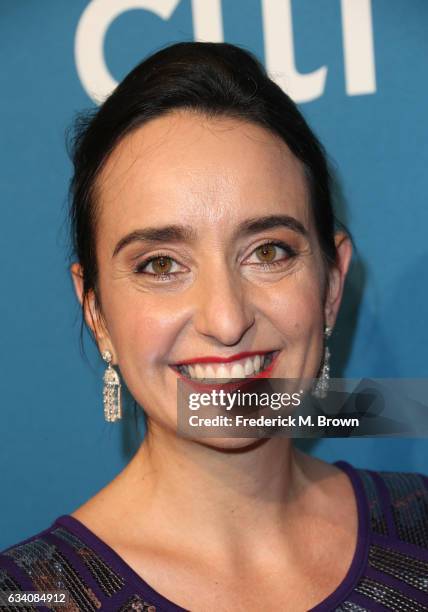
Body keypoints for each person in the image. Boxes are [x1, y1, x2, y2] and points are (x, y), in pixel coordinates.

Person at [1, 42, 427, 612]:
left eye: (269, 251)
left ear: (331, 284)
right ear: (95, 310)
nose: (226, 321)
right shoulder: (32, 597)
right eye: (160, 264)